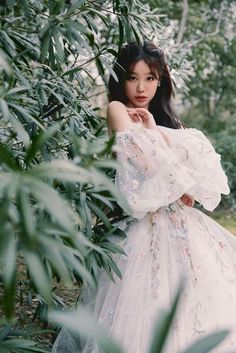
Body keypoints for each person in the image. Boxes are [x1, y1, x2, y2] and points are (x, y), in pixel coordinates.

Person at [52, 41, 236, 353]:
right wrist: (168, 161)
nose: (141, 87)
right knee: (146, 309)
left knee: (197, 304)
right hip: (145, 227)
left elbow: (185, 173)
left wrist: (156, 133)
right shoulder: (117, 109)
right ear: (120, 79)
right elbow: (147, 164)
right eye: (133, 77)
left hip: (183, 227)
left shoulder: (160, 119)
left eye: (149, 78)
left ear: (160, 81)